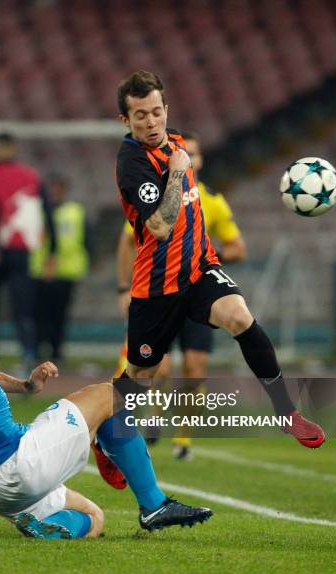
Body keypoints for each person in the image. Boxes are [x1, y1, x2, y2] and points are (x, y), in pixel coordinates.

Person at [0, 265, 213, 540]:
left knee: (93, 521)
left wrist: (27, 386)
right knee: (111, 395)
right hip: (16, 463)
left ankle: (40, 521)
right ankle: (152, 504)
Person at [109, 70, 325, 457]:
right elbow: (159, 226)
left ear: (166, 109)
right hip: (157, 285)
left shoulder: (176, 142)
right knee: (140, 377)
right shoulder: (132, 163)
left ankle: (286, 411)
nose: (151, 121)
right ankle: (108, 441)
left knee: (240, 318)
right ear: (125, 120)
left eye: (156, 111)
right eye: (140, 115)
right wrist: (177, 172)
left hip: (199, 269)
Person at [116, 131, 247, 460]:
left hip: (197, 290)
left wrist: (201, 250)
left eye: (197, 153)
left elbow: (237, 248)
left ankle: (184, 439)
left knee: (194, 367)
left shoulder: (214, 201)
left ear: (198, 160)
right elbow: (126, 242)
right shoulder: (157, 193)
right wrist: (123, 288)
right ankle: (154, 419)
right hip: (160, 291)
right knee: (158, 369)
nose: (192, 157)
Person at [0, 132, 56, 369]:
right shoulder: (32, 176)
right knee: (23, 307)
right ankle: (27, 356)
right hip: (21, 251)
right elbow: (48, 214)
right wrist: (53, 251)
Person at [31, 174, 90, 362]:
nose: (55, 192)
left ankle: (57, 351)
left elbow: (87, 238)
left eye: (59, 188)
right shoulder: (37, 212)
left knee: (59, 314)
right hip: (40, 270)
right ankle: (39, 349)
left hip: (66, 270)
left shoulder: (75, 211)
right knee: (39, 313)